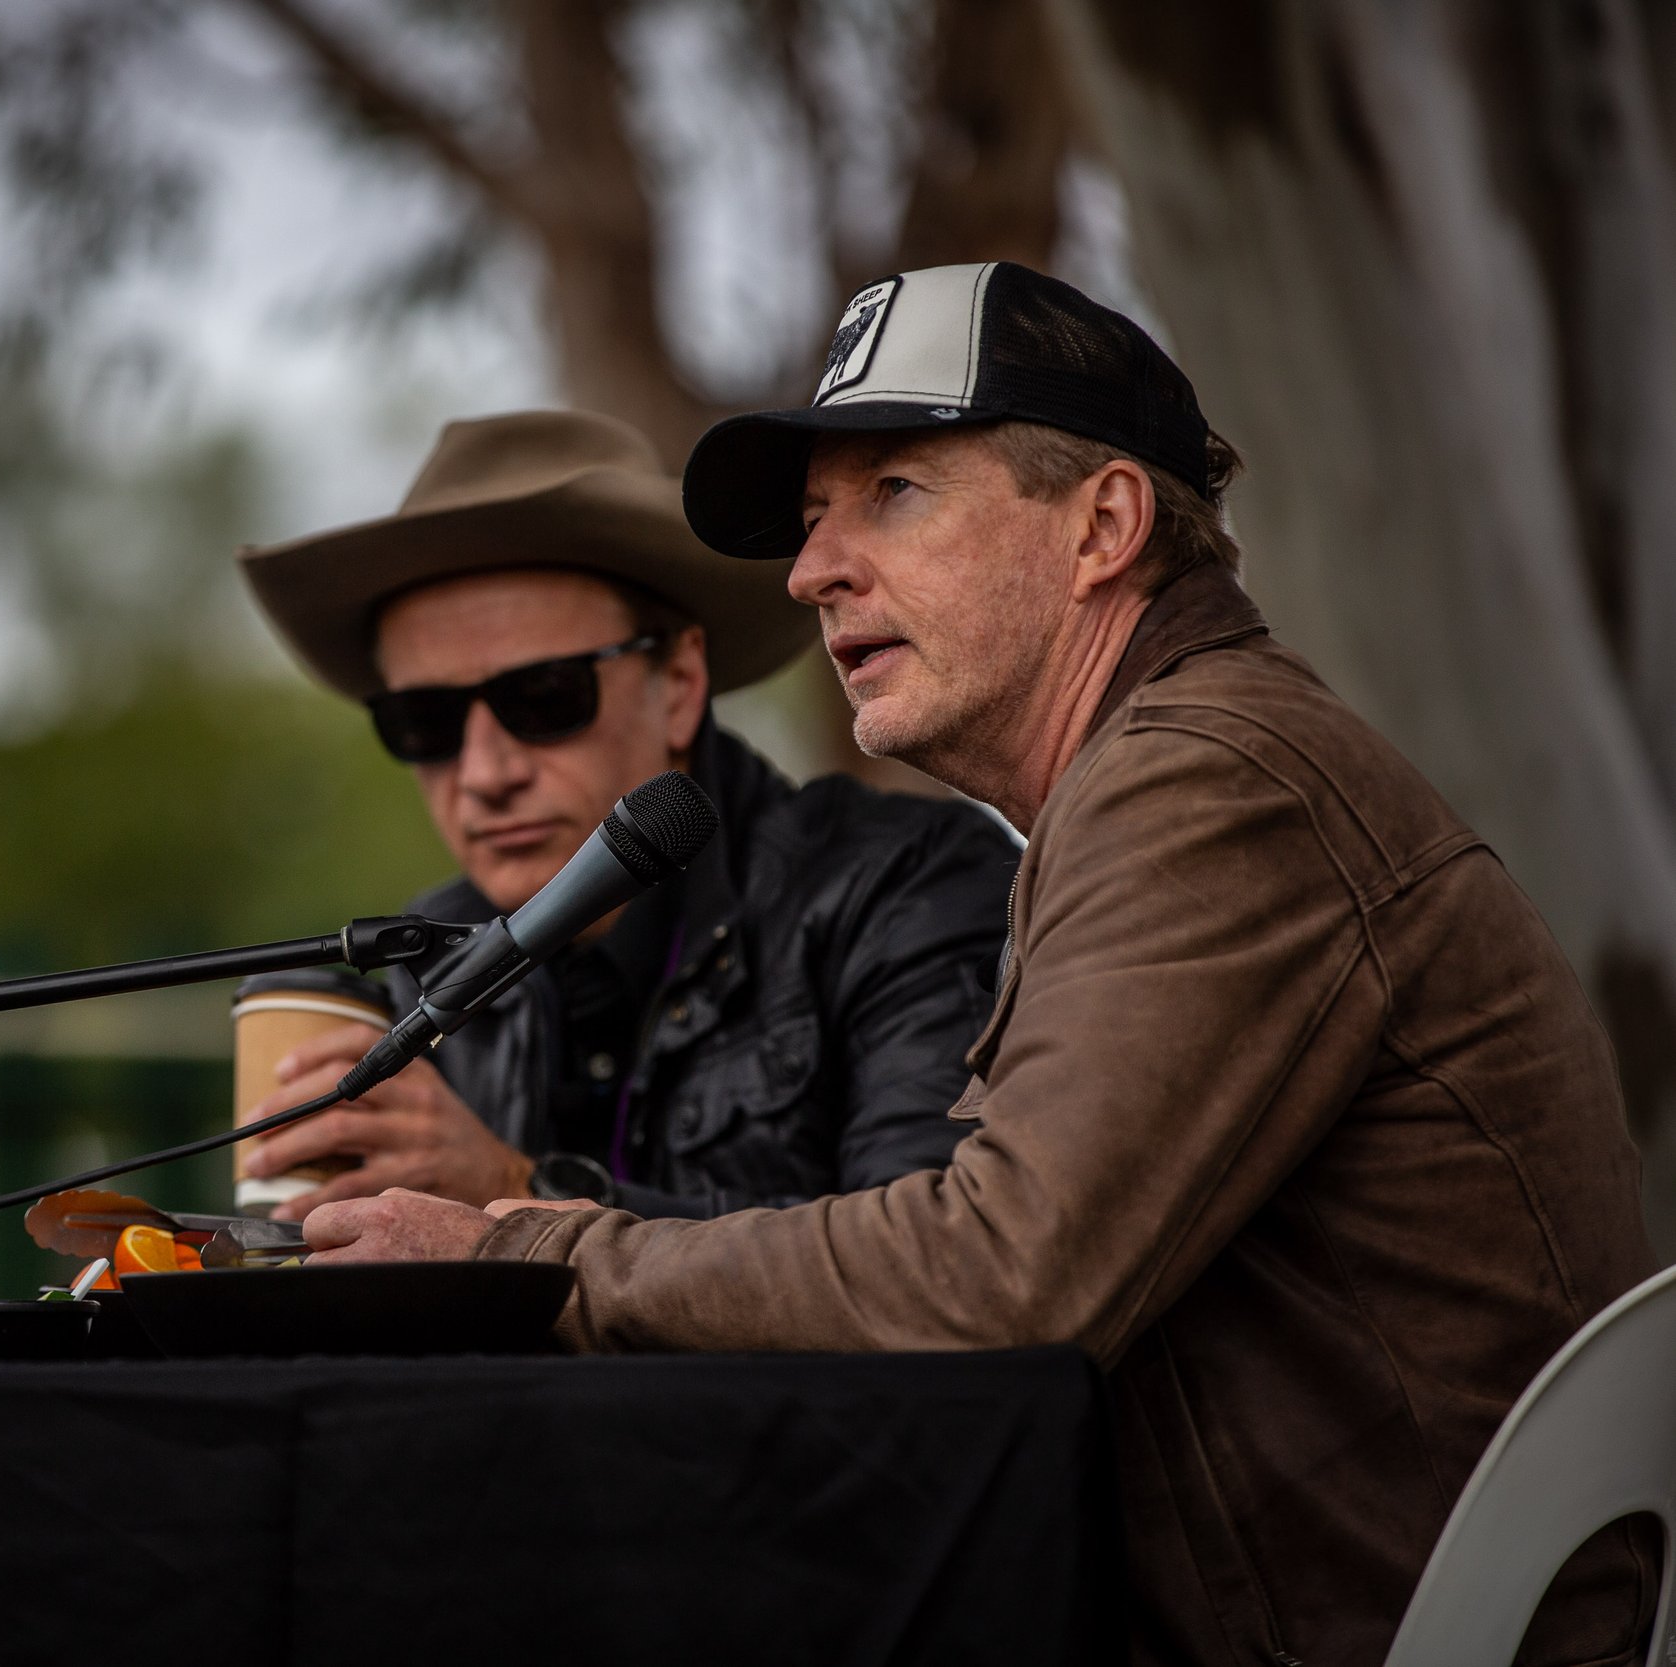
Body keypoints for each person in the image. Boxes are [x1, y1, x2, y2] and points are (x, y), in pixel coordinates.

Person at [302, 265, 1660, 1665]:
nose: (814, 566)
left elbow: (1001, 1279)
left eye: (895, 490)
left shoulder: (1209, 782)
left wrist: (530, 1245)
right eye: (817, 516)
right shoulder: (1165, 777)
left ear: (1106, 526)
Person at [233, 409, 1017, 1223]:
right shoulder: (423, 958)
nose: (483, 772)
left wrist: (512, 1192)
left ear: (679, 686)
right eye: (423, 721)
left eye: (544, 697)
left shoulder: (903, 888)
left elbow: (928, 1271)